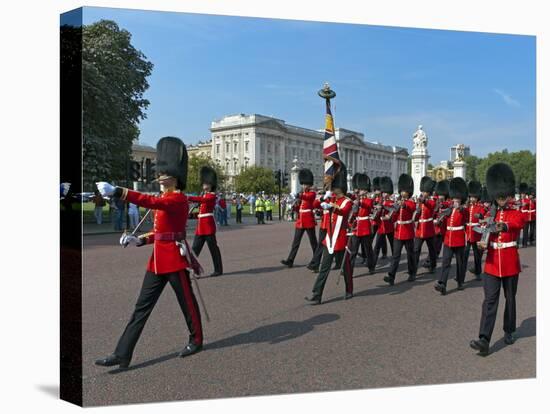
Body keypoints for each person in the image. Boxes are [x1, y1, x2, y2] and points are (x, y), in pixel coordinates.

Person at [94, 137, 204, 369]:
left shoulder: (177, 199)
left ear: (174, 176)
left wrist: (118, 192)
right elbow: (160, 233)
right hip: (157, 261)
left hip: (175, 259)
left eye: (164, 172)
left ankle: (196, 340)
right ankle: (122, 354)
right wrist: (139, 240)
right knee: (141, 308)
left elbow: (148, 201)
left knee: (188, 304)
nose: (160, 175)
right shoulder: (165, 198)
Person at [470, 163, 526, 356]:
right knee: (489, 300)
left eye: (503, 195)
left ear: (508, 195)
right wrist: (482, 243)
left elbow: (519, 222)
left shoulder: (515, 212)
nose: (501, 198)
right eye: (498, 195)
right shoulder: (489, 214)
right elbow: (484, 233)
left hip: (510, 262)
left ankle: (509, 330)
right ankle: (484, 339)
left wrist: (503, 226)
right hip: (492, 263)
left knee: (509, 299)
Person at [305, 166, 354, 304]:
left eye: (334, 187)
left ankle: (349, 289)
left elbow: (344, 212)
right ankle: (317, 294)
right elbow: (315, 204)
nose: (332, 189)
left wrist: (331, 206)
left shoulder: (347, 201)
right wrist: (322, 198)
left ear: (341, 187)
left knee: (346, 268)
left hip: (341, 240)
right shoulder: (331, 198)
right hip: (330, 240)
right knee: (324, 268)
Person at [434, 177, 469, 295]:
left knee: (460, 262)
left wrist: (461, 208)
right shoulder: (449, 209)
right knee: (445, 262)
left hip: (458, 240)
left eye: (457, 200)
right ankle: (442, 284)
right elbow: (443, 219)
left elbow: (466, 215)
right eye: (454, 199)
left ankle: (460, 281)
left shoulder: (463, 210)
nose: (455, 202)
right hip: (448, 239)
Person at [188, 167, 224, 277]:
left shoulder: (211, 195)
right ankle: (193, 269)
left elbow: (203, 201)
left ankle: (218, 270)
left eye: (206, 183)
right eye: (204, 183)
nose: (204, 185)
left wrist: (188, 197)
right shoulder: (203, 195)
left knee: (213, 249)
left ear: (210, 184)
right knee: (194, 250)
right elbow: (200, 212)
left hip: (208, 226)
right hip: (201, 226)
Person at [384, 174, 417, 285]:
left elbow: (411, 208)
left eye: (405, 191)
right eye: (402, 191)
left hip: (407, 232)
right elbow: (394, 216)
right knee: (395, 255)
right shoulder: (398, 202)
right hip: (398, 232)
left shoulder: (411, 202)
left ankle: (412, 273)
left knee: (410, 255)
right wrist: (390, 215)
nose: (403, 193)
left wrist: (403, 205)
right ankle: (391, 276)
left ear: (409, 192)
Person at [281, 169, 318, 268]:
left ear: (309, 185)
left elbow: (308, 198)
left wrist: (299, 196)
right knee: (295, 242)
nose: (304, 186)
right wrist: (295, 205)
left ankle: (316, 260)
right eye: (303, 184)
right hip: (300, 221)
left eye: (305, 184)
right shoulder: (302, 195)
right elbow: (299, 208)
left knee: (313, 242)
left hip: (309, 220)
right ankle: (290, 260)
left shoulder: (312, 193)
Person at [342, 173, 376, 277]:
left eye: (361, 189)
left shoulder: (369, 199)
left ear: (365, 190)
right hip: (356, 228)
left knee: (368, 249)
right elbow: (353, 213)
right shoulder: (356, 199)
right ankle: (349, 270)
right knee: (353, 251)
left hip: (365, 227)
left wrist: (359, 203)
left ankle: (371, 267)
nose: (359, 191)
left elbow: (368, 205)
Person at [413, 176, 438, 274]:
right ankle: (413, 269)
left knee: (432, 249)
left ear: (429, 192)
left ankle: (433, 265)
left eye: (425, 192)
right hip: (420, 229)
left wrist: (423, 201)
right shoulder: (420, 201)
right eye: (422, 191)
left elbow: (430, 205)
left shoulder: (431, 201)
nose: (423, 193)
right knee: (416, 250)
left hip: (428, 229)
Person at [464, 180, 486, 280]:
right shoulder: (467, 206)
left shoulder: (480, 206)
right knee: (465, 254)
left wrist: (480, 215)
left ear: (477, 197)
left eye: (474, 197)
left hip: (476, 232)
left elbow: (482, 215)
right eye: (471, 197)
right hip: (468, 233)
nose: (472, 198)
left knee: (477, 255)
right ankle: (461, 274)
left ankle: (478, 272)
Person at [372, 176, 395, 268]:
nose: (384, 194)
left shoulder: (392, 202)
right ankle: (372, 265)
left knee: (393, 246)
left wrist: (383, 207)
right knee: (377, 246)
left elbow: (392, 210)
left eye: (386, 192)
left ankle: (395, 262)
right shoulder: (380, 201)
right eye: (384, 192)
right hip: (381, 227)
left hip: (390, 227)